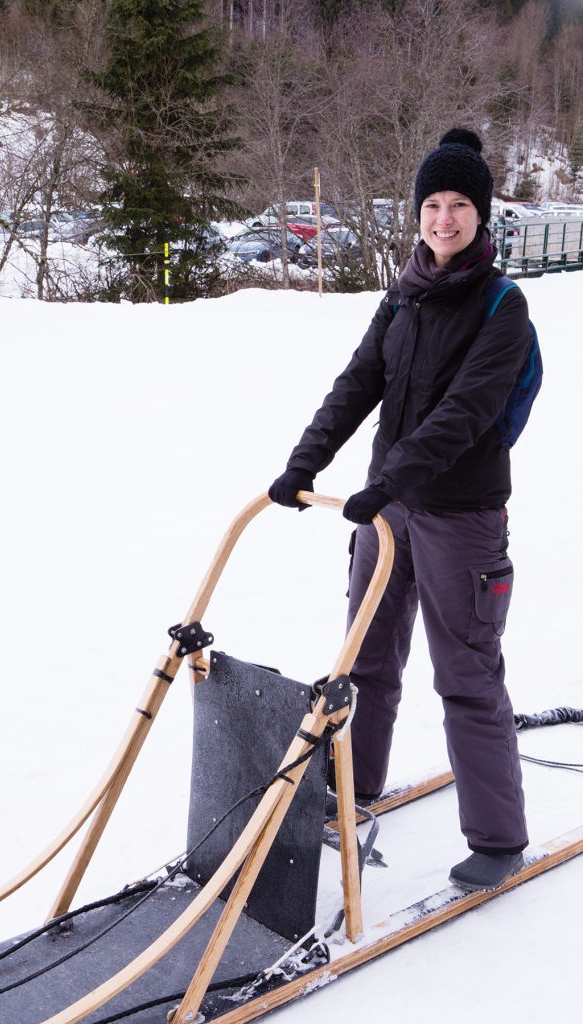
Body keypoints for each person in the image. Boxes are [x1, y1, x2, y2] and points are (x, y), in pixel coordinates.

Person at [269, 128, 532, 893]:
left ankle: (496, 837)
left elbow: (464, 413)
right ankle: (353, 786)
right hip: (387, 512)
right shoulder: (404, 292)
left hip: (461, 516)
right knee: (368, 659)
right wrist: (303, 461)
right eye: (431, 205)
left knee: (466, 674)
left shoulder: (502, 306)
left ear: (479, 216)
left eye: (458, 206)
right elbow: (357, 383)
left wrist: (393, 479)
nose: (443, 219)